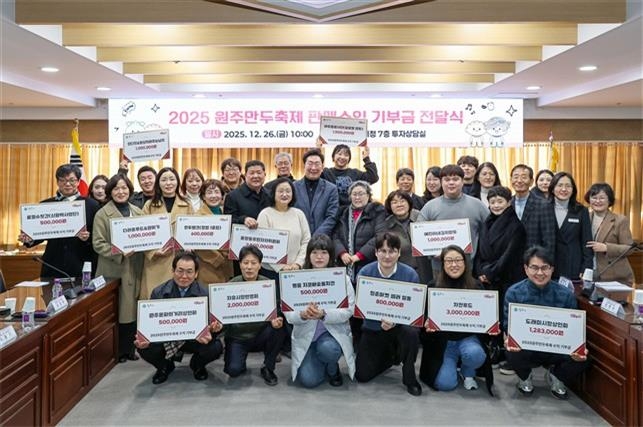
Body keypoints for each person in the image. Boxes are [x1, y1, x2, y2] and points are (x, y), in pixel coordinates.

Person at [504, 246, 589, 399]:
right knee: (511, 351)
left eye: (545, 268)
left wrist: (577, 348)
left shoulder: (565, 295)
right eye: (534, 268)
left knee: (583, 358)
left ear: (552, 269)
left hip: (556, 348)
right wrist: (508, 339)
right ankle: (525, 377)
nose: (540, 273)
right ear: (526, 269)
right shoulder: (514, 293)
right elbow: (507, 325)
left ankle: (557, 376)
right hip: (527, 347)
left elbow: (573, 330)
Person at [134, 252, 224, 384]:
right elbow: (151, 325)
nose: (184, 276)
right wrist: (145, 337)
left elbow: (214, 325)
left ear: (196, 274)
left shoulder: (205, 294)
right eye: (180, 271)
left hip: (193, 340)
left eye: (189, 272)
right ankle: (164, 366)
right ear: (173, 271)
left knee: (215, 347)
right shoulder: (158, 292)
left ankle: (197, 365)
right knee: (143, 347)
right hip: (167, 339)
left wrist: (214, 330)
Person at [419, 245, 495, 393]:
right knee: (445, 384)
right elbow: (425, 317)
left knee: (476, 355)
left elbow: (485, 317)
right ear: (443, 264)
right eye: (449, 261)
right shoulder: (433, 286)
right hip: (444, 343)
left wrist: (490, 326)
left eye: (458, 260)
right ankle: (452, 365)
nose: (454, 264)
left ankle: (467, 371)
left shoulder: (476, 286)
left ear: (465, 262)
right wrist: (426, 323)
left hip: (468, 339)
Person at [355, 232, 423, 396]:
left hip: (401, 327)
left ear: (399, 253)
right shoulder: (365, 273)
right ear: (376, 252)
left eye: (392, 251)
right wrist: (380, 319)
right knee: (362, 376)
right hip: (373, 326)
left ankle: (410, 377)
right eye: (383, 251)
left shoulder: (410, 275)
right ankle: (391, 356)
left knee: (411, 333)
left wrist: (395, 320)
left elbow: (413, 311)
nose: (387, 256)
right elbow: (362, 307)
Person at [284, 234, 356, 388]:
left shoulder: (341, 278)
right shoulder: (296, 278)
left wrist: (324, 314)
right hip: (307, 338)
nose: (319, 257)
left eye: (324, 252)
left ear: (330, 255)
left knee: (329, 350)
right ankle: (320, 361)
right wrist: (303, 315)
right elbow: (289, 315)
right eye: (314, 252)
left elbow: (348, 310)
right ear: (308, 255)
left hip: (330, 336)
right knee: (309, 380)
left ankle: (332, 368)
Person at [215, 246, 286, 386]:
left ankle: (268, 367)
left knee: (278, 329)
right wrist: (220, 326)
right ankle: (239, 361)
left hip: (260, 335)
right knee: (233, 370)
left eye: (253, 263)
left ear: (260, 265)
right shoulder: (230, 286)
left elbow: (276, 310)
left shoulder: (268, 285)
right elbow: (222, 316)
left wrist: (276, 320)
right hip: (237, 337)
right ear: (240, 264)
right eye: (245, 263)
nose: (249, 267)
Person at [92, 174, 144, 363]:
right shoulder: (102, 214)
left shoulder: (138, 212)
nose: (121, 192)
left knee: (132, 311)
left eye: (124, 188)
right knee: (116, 312)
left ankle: (129, 349)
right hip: (113, 270)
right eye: (116, 189)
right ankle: (117, 351)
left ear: (130, 190)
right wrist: (119, 252)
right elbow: (98, 244)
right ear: (110, 192)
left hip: (135, 267)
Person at [475, 186, 526, 367]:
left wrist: (490, 273)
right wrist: (480, 272)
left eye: (500, 201)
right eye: (493, 202)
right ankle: (493, 349)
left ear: (509, 202)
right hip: (487, 278)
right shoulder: (486, 222)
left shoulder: (516, 226)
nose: (496, 205)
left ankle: (505, 354)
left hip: (505, 279)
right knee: (489, 316)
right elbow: (479, 252)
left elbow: (509, 256)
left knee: (504, 318)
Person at [18, 163, 99, 278]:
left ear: (78, 182)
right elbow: (38, 235)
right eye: (63, 180)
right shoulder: (45, 205)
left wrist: (87, 238)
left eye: (72, 180)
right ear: (57, 182)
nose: (67, 184)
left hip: (80, 266)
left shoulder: (92, 205)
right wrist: (29, 239)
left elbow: (98, 237)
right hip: (53, 266)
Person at [418, 164, 489, 278]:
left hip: (469, 268)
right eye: (447, 180)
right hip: (439, 268)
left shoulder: (477, 205)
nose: (451, 183)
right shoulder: (430, 207)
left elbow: (491, 231)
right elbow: (418, 236)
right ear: (441, 182)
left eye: (455, 179)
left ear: (462, 181)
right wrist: (432, 253)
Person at [140, 167, 193, 298]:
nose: (168, 183)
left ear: (177, 182)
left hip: (180, 261)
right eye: (164, 180)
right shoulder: (149, 205)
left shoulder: (187, 204)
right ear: (158, 183)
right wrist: (153, 252)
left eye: (171, 179)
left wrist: (190, 245)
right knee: (155, 298)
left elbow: (192, 231)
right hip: (156, 262)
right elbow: (142, 234)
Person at [333, 181, 386, 282]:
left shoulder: (377, 211)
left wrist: (359, 255)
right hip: (345, 263)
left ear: (368, 196)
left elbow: (380, 236)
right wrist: (342, 253)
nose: (357, 197)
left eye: (361, 194)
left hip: (368, 263)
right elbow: (335, 236)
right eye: (354, 194)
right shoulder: (343, 213)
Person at [258, 178, 311, 277]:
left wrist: (298, 263)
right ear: (273, 193)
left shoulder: (299, 214)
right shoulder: (265, 214)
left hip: (296, 270)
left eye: (288, 191)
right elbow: (263, 245)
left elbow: (306, 240)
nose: (284, 194)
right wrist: (280, 267)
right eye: (280, 191)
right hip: (271, 271)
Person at [584, 182, 636, 285]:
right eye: (594, 197)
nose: (597, 201)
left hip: (615, 277)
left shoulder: (620, 220)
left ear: (609, 200)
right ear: (589, 199)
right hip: (589, 274)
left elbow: (630, 248)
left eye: (602, 198)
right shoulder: (584, 218)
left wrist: (607, 248)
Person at [548, 172, 593, 280]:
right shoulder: (544, 208)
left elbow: (586, 241)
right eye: (560, 185)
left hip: (573, 265)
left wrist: (587, 267)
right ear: (552, 188)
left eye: (568, 186)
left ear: (573, 190)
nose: (564, 189)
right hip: (549, 266)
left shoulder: (581, 210)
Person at [383, 190, 431, 284]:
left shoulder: (421, 217)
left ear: (409, 203)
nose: (399, 205)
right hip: (402, 275)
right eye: (394, 202)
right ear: (390, 206)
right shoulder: (386, 225)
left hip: (426, 271)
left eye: (402, 201)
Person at [510, 164, 557, 258]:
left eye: (524, 177)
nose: (519, 180)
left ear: (531, 182)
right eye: (516, 177)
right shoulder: (507, 204)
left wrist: (545, 262)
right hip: (510, 259)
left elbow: (549, 240)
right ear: (511, 180)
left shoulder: (543, 205)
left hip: (533, 260)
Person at [194, 179, 233, 285]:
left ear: (222, 195)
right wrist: (218, 258)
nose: (213, 196)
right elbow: (198, 243)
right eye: (209, 192)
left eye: (216, 192)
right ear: (203, 196)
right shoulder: (198, 216)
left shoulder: (225, 213)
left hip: (227, 264)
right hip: (208, 265)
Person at [293, 148, 339, 236]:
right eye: (310, 163)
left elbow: (332, 216)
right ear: (304, 166)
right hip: (298, 237)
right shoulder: (293, 187)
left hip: (322, 239)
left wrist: (316, 237)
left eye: (317, 164)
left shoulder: (331, 189)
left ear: (322, 167)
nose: (313, 167)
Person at [319, 143, 379, 207]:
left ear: (349, 159)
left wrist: (366, 159)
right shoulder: (326, 173)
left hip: (352, 210)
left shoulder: (355, 173)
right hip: (332, 210)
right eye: (339, 154)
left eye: (346, 155)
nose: (342, 157)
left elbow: (373, 177)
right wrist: (318, 151)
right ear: (333, 157)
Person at [223, 160, 271, 229]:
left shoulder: (270, 195)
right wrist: (243, 219)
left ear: (264, 174)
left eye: (259, 173)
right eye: (251, 173)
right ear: (245, 175)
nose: (255, 176)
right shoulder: (232, 196)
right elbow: (228, 221)